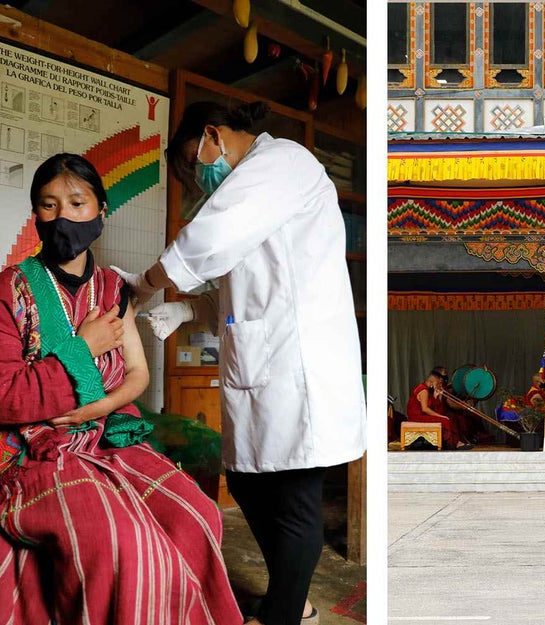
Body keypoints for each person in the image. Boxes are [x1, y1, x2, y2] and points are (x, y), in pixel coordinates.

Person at [0, 154, 240, 624]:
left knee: (197, 513)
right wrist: (84, 348)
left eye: (78, 202)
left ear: (102, 212)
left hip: (100, 436)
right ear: (36, 217)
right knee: (125, 543)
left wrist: (93, 410)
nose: (63, 216)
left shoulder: (111, 289)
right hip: (27, 451)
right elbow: (1, 401)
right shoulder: (1, 295)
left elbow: (137, 376)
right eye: (49, 205)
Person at [113, 101, 365, 625]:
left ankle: (285, 615)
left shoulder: (282, 164)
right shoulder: (250, 192)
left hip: (300, 368)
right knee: (249, 481)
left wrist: (144, 284)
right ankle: (294, 601)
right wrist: (185, 308)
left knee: (296, 502)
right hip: (265, 366)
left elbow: (207, 243)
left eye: (193, 161)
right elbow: (236, 292)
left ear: (213, 136)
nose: (200, 177)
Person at [406, 370, 474, 450]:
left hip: (423, 415)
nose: (439, 385)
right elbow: (425, 409)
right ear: (432, 382)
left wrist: (437, 397)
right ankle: (455, 444)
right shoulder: (423, 390)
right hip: (417, 417)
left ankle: (454, 442)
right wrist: (441, 417)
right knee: (445, 420)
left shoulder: (428, 390)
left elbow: (437, 410)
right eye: (438, 383)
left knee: (447, 418)